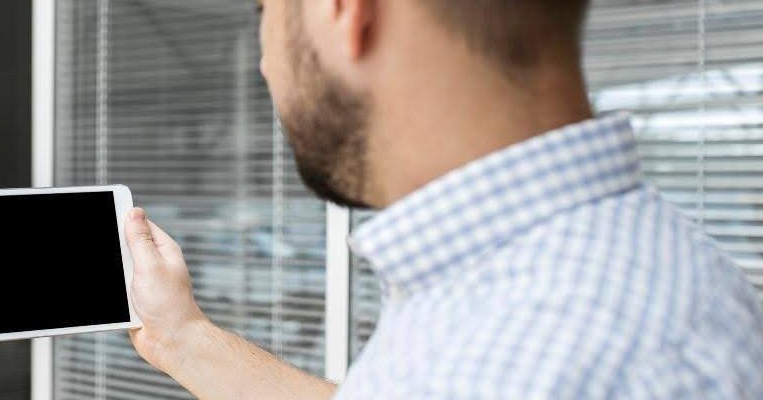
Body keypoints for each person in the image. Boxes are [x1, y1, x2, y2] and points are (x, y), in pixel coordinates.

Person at [121, 0, 763, 398]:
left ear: (345, 9)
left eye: (265, 11)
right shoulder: (571, 284)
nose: (264, 65)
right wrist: (183, 337)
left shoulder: (524, 353)